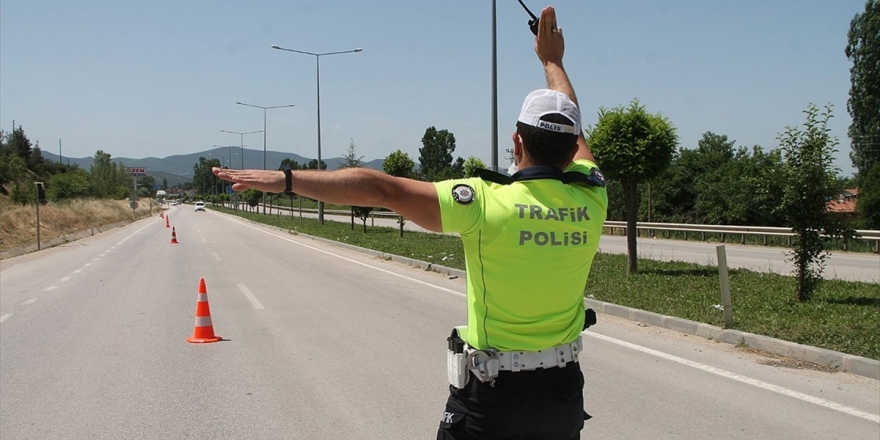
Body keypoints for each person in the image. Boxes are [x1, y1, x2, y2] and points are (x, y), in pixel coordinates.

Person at [213, 6, 607, 439]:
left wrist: (286, 179)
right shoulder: (592, 194)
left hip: (493, 398)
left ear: (516, 141)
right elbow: (573, 123)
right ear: (573, 151)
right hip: (562, 396)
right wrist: (553, 61)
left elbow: (380, 188)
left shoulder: (482, 202)